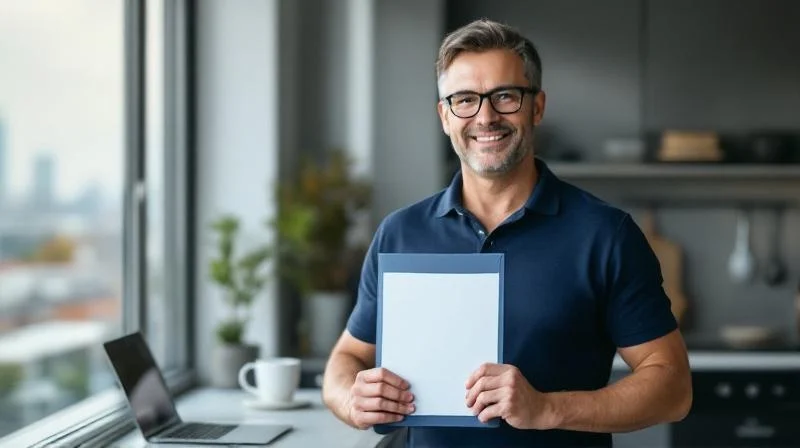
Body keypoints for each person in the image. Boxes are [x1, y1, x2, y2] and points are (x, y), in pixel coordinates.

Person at [322, 18, 692, 447]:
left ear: (537, 107)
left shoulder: (606, 235)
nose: (486, 116)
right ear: (444, 116)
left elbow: (673, 387)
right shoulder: (400, 232)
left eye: (505, 96)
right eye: (464, 100)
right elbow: (346, 358)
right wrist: (351, 398)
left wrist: (547, 408)